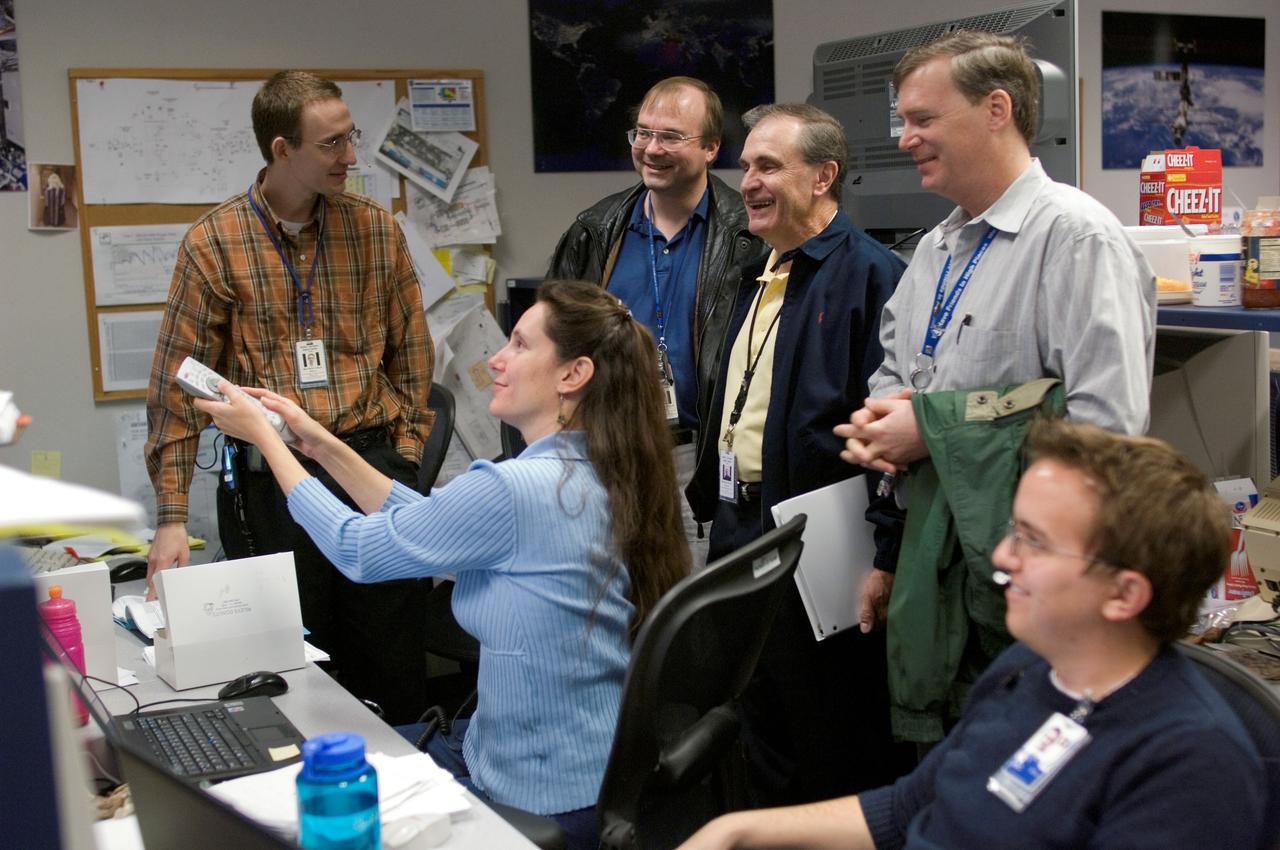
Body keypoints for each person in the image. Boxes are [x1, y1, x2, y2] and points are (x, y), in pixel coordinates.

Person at [197, 280, 690, 850]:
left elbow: (358, 550)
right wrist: (318, 443)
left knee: (286, 796)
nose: (497, 360)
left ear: (572, 375)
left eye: (521, 347)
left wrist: (265, 439)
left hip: (536, 791)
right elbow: (432, 519)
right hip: (591, 767)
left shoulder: (514, 489)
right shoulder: (599, 471)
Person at [679, 420, 1266, 850]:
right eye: (1014, 530)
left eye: (1033, 541)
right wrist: (738, 828)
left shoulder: (1191, 763)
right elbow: (914, 805)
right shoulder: (1027, 671)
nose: (1004, 555)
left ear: (1125, 594)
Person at [837, 31, 1155, 745]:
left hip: (1029, 581)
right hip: (940, 562)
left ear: (996, 109)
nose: (905, 138)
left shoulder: (1076, 238)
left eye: (922, 119)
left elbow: (1107, 434)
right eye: (901, 121)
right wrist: (883, 424)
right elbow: (895, 371)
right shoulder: (935, 251)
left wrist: (935, 431)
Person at [144, 70, 434, 722]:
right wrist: (170, 517)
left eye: (350, 138)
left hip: (367, 467)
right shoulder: (214, 245)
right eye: (332, 144)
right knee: (293, 671)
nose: (350, 157)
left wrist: (405, 457)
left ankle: (417, 793)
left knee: (391, 661)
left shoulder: (376, 230)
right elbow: (177, 383)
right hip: (269, 485)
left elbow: (413, 354)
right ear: (282, 150)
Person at [688, 102, 907, 805]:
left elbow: (891, 435)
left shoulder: (872, 277)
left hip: (820, 545)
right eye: (745, 165)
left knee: (827, 733)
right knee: (754, 722)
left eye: (768, 166)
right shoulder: (756, 274)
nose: (747, 181)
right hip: (738, 528)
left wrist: (888, 554)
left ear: (823, 177)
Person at [549, 76, 763, 569]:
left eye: (670, 136)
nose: (651, 149)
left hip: (696, 463)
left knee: (688, 620)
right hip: (603, 453)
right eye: (642, 133)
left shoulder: (748, 236)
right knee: (606, 615)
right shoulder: (595, 231)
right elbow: (552, 349)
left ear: (711, 147)